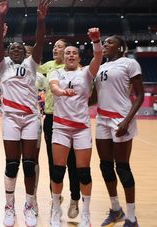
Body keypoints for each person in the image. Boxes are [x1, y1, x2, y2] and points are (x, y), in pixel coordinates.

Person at [0, 0, 48, 227]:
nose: (15, 50)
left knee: (29, 163)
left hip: (31, 118)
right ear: (7, 52)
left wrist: (41, 20)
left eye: (19, 48)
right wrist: (1, 16)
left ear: (24, 52)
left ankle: (30, 204)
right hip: (11, 120)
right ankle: (8, 206)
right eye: (11, 48)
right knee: (11, 163)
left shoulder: (31, 65)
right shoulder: (2, 66)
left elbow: (40, 40)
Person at [48, 28, 103, 227]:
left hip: (81, 128)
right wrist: (62, 92)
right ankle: (56, 210)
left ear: (79, 57)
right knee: (57, 172)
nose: (70, 55)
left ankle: (86, 214)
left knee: (84, 173)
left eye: (74, 53)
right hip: (61, 127)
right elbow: (54, 87)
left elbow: (98, 56)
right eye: (67, 53)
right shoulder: (56, 72)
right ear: (63, 56)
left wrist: (96, 41)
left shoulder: (87, 73)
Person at [94, 35, 144, 227]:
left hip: (121, 119)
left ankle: (131, 217)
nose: (105, 44)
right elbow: (95, 97)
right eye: (104, 42)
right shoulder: (99, 67)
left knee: (122, 167)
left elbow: (140, 95)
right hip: (102, 119)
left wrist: (127, 121)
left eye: (110, 42)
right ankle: (116, 209)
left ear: (121, 47)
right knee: (105, 166)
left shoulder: (129, 64)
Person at [37, 39, 81, 218]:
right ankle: (56, 198)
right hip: (51, 118)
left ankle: (75, 199)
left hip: (72, 119)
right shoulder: (47, 66)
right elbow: (31, 73)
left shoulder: (79, 70)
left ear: (69, 51)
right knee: (53, 162)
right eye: (54, 46)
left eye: (59, 46)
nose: (55, 49)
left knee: (73, 162)